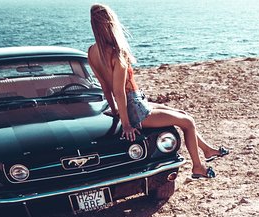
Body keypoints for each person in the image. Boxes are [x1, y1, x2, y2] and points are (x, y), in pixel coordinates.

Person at [88, 4, 229, 180]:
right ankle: (198, 167)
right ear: (111, 24)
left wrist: (116, 111)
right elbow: (118, 90)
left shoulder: (91, 52)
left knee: (182, 114)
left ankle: (207, 150)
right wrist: (126, 124)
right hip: (134, 108)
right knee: (188, 122)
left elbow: (105, 87)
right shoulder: (117, 53)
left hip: (132, 104)